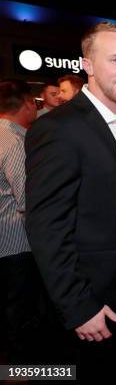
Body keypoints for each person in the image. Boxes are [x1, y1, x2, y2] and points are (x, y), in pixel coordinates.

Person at [25, 22, 116, 385]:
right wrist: (79, 307)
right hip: (90, 309)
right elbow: (46, 228)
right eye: (115, 59)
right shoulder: (59, 129)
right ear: (88, 64)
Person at [0, 80, 40, 364]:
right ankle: (19, 372)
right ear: (27, 104)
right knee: (19, 313)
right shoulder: (14, 141)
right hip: (15, 244)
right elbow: (27, 199)